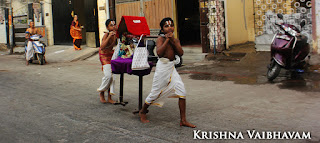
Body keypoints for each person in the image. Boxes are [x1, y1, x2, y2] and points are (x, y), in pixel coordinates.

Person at [139, 17, 196, 128]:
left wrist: (173, 41)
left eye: (171, 25)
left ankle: (183, 120)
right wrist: (167, 40)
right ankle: (143, 111)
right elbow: (159, 53)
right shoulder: (160, 39)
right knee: (155, 92)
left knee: (182, 91)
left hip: (171, 67)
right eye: (166, 26)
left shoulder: (176, 40)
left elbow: (180, 53)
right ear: (162, 29)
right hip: (162, 68)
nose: (169, 27)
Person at [97, 19, 117, 104]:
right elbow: (102, 46)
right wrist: (109, 36)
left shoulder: (116, 34)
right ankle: (101, 92)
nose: (113, 27)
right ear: (107, 27)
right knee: (108, 75)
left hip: (111, 54)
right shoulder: (106, 34)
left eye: (114, 25)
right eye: (111, 25)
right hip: (104, 55)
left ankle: (109, 97)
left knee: (113, 77)